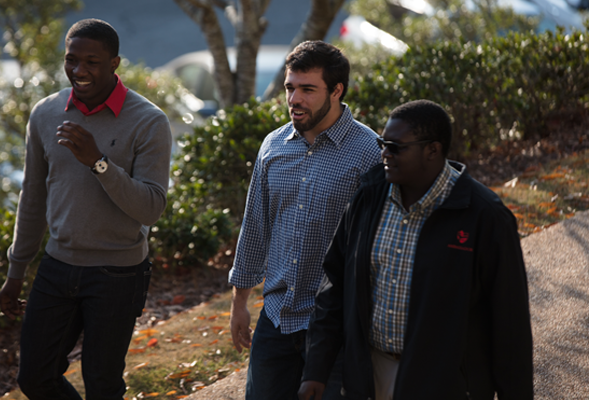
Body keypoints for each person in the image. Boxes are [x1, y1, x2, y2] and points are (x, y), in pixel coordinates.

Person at [298, 99, 533, 400]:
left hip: (444, 384)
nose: (384, 153)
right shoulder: (368, 197)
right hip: (370, 376)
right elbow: (334, 286)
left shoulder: (486, 217)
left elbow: (509, 322)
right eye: (383, 143)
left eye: (395, 147)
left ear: (432, 150)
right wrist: (316, 370)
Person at [0, 19, 172, 400]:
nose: (79, 71)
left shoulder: (149, 121)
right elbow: (32, 196)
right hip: (57, 267)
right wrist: (16, 269)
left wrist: (99, 163)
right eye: (72, 60)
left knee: (103, 384)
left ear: (115, 64)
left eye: (92, 62)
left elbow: (151, 208)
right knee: (35, 377)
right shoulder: (46, 113)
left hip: (117, 273)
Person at [228, 40, 382, 400]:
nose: (294, 99)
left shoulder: (369, 153)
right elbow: (255, 227)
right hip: (277, 318)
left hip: (336, 327)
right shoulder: (273, 146)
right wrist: (239, 303)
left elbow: (378, 247)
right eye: (290, 88)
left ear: (337, 90)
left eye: (307, 89)